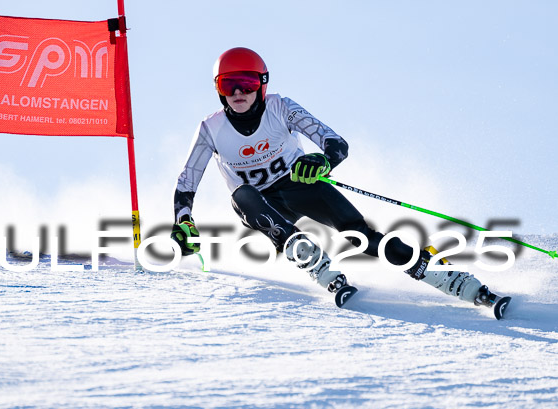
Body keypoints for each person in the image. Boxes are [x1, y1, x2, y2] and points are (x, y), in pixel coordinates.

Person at [170, 47, 502, 309]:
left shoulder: (281, 107)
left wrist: (322, 160)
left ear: (263, 84)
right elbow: (188, 181)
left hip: (299, 185)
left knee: (362, 237)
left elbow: (335, 142)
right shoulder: (210, 128)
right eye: (228, 84)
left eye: (248, 83)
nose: (238, 92)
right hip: (261, 205)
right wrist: (183, 220)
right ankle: (308, 257)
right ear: (218, 90)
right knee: (242, 193)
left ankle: (446, 277)